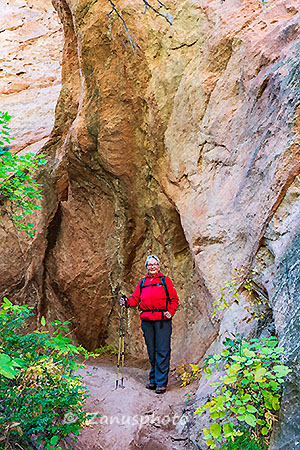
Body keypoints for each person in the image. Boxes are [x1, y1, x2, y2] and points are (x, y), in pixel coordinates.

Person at [120, 255, 179, 394]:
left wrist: (170, 312)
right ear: (146, 267)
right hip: (147, 321)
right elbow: (135, 299)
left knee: (162, 350)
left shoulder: (165, 281)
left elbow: (174, 299)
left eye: (154, 264)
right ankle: (153, 380)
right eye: (149, 265)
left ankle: (161, 383)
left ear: (158, 266)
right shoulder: (142, 282)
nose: (152, 267)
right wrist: (126, 302)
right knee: (152, 351)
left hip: (162, 320)